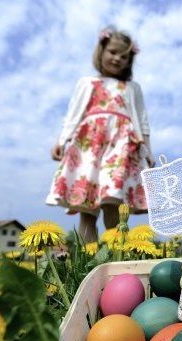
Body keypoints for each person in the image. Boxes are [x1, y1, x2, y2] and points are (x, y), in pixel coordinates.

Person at [46, 27, 154, 243]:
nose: (117, 59)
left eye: (124, 56)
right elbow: (73, 113)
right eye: (113, 52)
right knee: (87, 208)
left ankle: (115, 258)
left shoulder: (132, 88)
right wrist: (62, 139)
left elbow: (142, 121)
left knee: (113, 203)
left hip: (121, 147)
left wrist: (148, 149)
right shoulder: (87, 83)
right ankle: (89, 260)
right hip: (89, 146)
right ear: (102, 51)